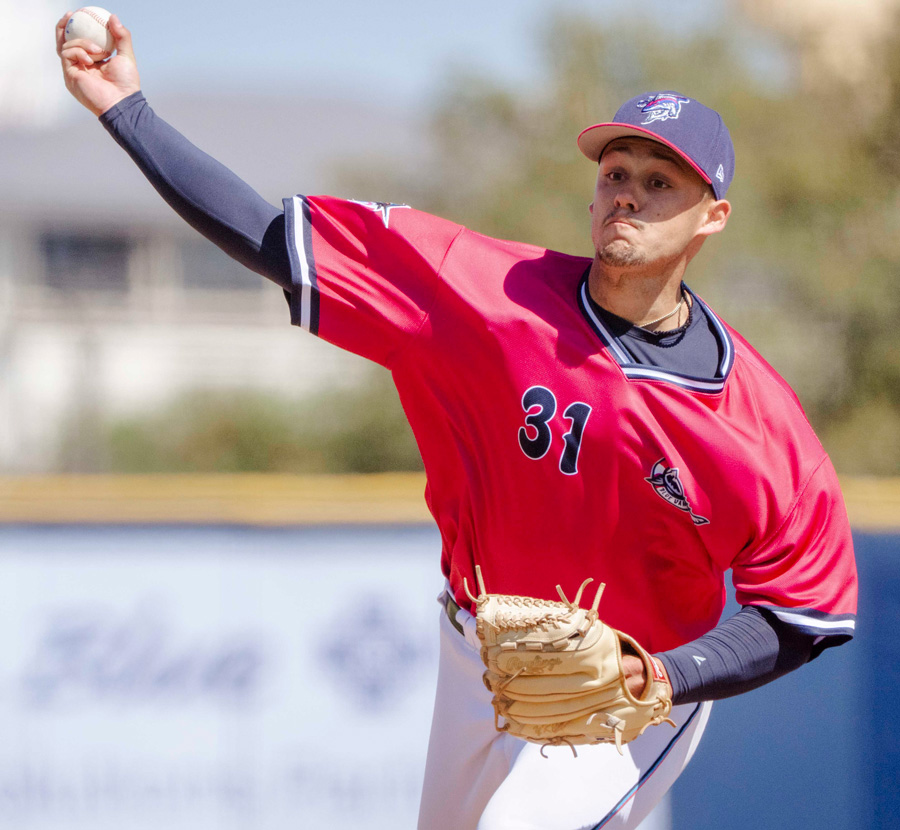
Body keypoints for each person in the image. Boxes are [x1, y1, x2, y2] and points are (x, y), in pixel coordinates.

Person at [57, 14, 858, 830]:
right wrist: (127, 111)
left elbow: (804, 612)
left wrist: (664, 676)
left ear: (712, 216)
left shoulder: (758, 422)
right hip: (472, 654)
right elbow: (273, 240)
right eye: (616, 171)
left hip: (625, 698)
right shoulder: (480, 292)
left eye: (661, 182)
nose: (628, 193)